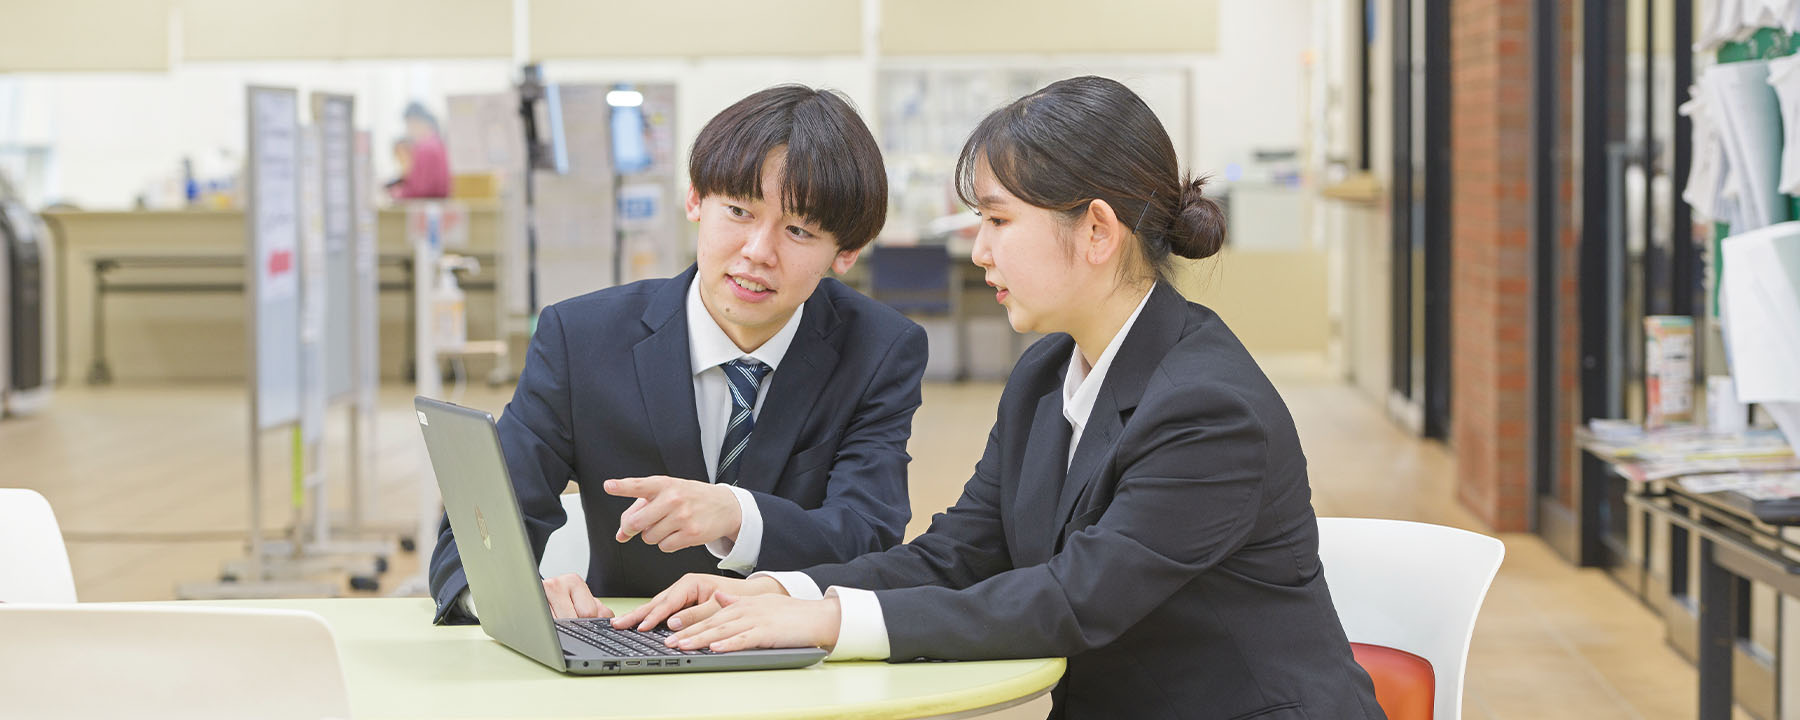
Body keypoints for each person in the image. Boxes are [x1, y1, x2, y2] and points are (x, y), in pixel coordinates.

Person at [616, 76, 1388, 720]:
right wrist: (776, 591)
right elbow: (960, 554)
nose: (979, 249)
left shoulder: (1208, 409)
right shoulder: (1046, 374)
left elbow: (1074, 599)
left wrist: (827, 620)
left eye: (996, 220)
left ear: (1097, 231)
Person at [427, 85, 926, 625]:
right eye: (738, 211)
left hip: (797, 652)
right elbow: (480, 526)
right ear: (694, 201)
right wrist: (508, 595)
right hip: (624, 646)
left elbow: (867, 534)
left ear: (845, 253)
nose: (758, 252)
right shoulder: (581, 339)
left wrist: (738, 515)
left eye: (798, 230)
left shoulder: (878, 350)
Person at [389, 102, 450, 199]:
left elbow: (421, 190)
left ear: (416, 122)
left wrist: (397, 193)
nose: (408, 130)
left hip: (427, 203)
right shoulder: (438, 144)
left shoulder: (425, 149)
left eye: (408, 124)